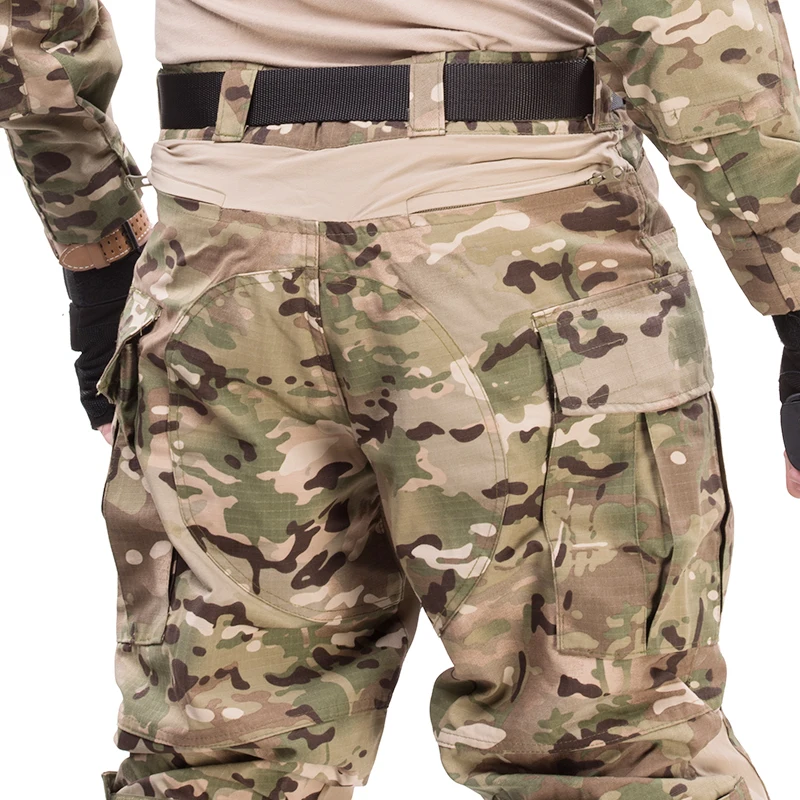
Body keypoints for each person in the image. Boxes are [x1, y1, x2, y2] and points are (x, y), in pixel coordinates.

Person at [1, 1, 798, 798]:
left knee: (219, 763)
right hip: (527, 272)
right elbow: (694, 27)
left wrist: (99, 253)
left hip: (221, 274)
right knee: (611, 748)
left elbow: (27, 23)